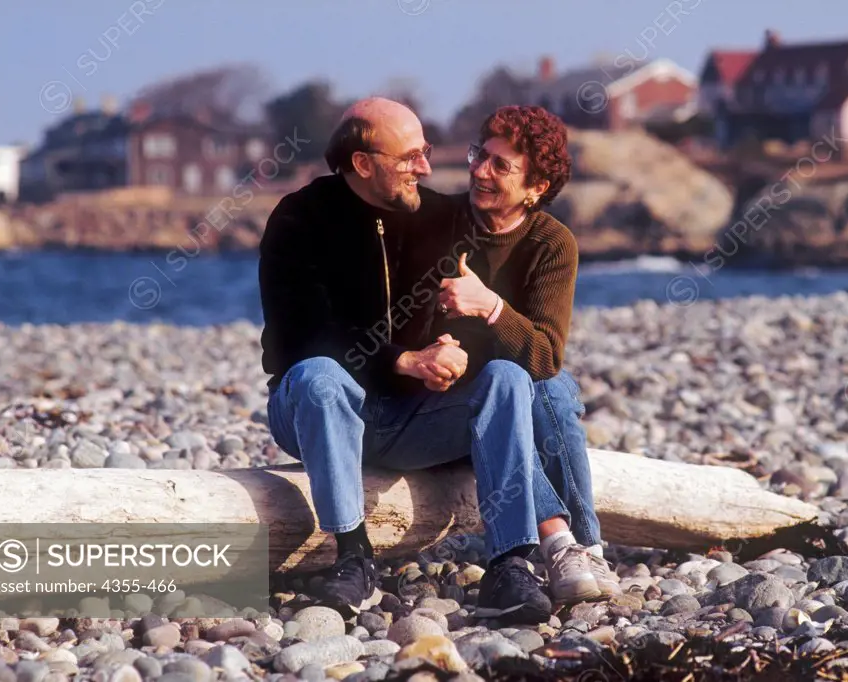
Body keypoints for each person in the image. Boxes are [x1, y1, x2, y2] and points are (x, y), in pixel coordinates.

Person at [259, 97, 574, 623]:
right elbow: (301, 337)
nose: (426, 168)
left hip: (413, 419)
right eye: (410, 157)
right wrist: (402, 361)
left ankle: (510, 564)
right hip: (318, 409)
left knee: (507, 378)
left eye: (425, 153)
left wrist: (451, 352)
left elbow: (467, 319)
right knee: (319, 377)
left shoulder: (437, 217)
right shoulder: (300, 218)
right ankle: (353, 558)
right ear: (364, 163)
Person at [432, 105, 623, 600]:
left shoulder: (552, 243)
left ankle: (584, 550)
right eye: (481, 155)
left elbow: (544, 355)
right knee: (518, 381)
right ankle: (572, 545)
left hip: (521, 385)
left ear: (536, 188)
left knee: (549, 386)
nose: (479, 171)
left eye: (501, 166)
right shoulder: (439, 224)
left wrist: (490, 307)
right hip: (448, 397)